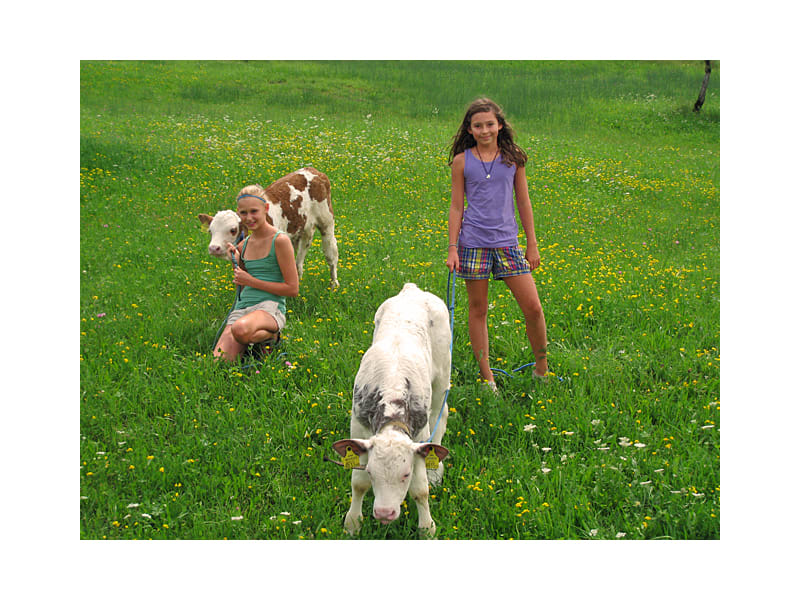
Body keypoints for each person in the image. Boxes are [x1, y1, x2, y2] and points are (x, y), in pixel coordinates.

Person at [445, 98, 550, 390]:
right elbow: (456, 206)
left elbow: (523, 202)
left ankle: (542, 370)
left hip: (507, 244)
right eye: (478, 126)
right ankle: (487, 378)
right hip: (473, 244)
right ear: (469, 129)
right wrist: (452, 247)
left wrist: (532, 243)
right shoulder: (462, 161)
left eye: (490, 124)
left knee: (533, 308)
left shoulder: (513, 159)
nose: (485, 130)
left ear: (500, 125)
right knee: (478, 310)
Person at [213, 187, 299, 362]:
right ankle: (258, 340)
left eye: (254, 211)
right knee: (219, 362)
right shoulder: (242, 246)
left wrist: (251, 281)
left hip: (270, 308)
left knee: (240, 330)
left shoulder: (280, 241)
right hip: (243, 307)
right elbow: (243, 285)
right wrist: (235, 261)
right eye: (243, 213)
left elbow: (292, 289)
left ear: (265, 209)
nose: (249, 218)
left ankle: (272, 336)